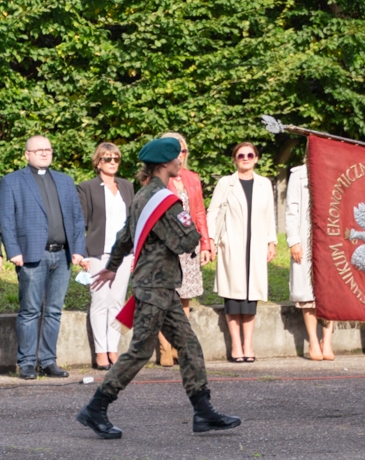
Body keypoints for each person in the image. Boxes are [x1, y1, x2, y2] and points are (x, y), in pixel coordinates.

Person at [76, 137, 240, 439]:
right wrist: (187, 218)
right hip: (154, 286)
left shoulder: (143, 195)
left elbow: (124, 236)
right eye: (177, 158)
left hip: (160, 285)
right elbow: (186, 240)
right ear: (165, 164)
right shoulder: (163, 199)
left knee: (188, 344)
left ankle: (202, 411)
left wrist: (112, 267)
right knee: (139, 351)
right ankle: (96, 407)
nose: (181, 162)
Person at [0, 135, 86, 380]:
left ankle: (48, 361)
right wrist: (13, 250)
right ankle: (27, 363)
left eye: (48, 149)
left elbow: (77, 219)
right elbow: (5, 219)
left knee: (54, 310)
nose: (44, 153)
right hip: (30, 255)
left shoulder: (65, 181)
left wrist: (78, 249)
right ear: (27, 154)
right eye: (38, 150)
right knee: (30, 310)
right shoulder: (12, 181)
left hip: (62, 255)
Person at [207, 142, 277, 363]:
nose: (245, 158)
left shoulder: (265, 184)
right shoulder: (226, 184)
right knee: (233, 296)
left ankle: (249, 344)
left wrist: (271, 241)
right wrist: (212, 240)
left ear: (256, 158)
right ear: (234, 159)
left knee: (250, 297)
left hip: (256, 244)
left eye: (249, 155)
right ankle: (236, 346)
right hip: (232, 243)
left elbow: (269, 215)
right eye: (240, 155)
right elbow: (213, 211)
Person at [77, 142, 135, 370]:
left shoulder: (127, 186)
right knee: (100, 302)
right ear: (98, 162)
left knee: (118, 303)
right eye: (107, 159)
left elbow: (134, 222)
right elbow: (80, 222)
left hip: (124, 253)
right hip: (98, 252)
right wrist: (82, 254)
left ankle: (114, 348)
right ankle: (101, 352)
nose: (112, 163)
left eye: (116, 159)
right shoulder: (87, 188)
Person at [158, 132, 213, 366]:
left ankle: (181, 345)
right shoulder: (155, 178)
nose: (180, 155)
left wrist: (206, 244)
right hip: (165, 244)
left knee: (184, 298)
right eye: (175, 150)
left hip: (188, 245)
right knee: (164, 296)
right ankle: (164, 348)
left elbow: (199, 211)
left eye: (184, 151)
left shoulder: (192, 178)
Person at [285, 162, 335, 361]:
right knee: (307, 291)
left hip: (331, 239)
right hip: (306, 238)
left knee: (330, 294)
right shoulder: (298, 174)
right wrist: (293, 241)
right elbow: (292, 209)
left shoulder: (334, 170)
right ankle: (313, 341)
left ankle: (328, 342)